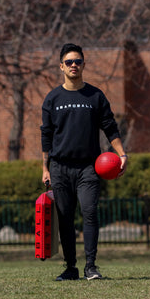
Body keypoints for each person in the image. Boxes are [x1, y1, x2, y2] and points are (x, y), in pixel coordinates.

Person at [40, 43, 128, 281]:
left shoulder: (95, 96)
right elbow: (46, 135)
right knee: (65, 218)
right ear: (61, 67)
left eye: (78, 61)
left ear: (83, 65)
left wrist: (122, 154)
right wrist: (45, 168)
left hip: (89, 167)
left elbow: (110, 127)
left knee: (89, 212)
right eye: (69, 62)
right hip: (59, 167)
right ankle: (71, 268)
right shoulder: (52, 98)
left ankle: (91, 266)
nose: (74, 65)